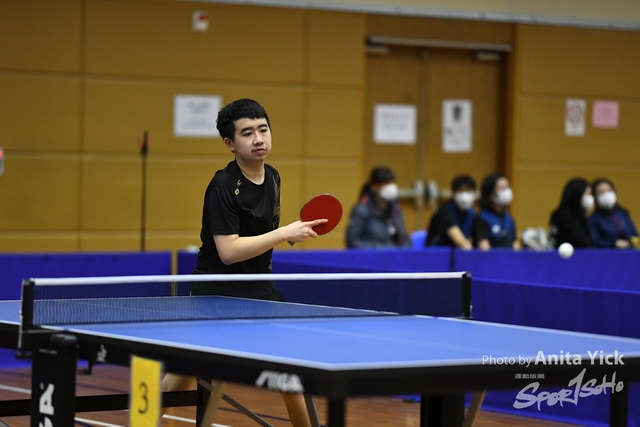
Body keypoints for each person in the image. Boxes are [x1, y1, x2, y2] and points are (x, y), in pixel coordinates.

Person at [162, 99, 323, 427]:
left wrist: (293, 233)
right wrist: (283, 233)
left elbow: (261, 233)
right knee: (181, 376)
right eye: (247, 133)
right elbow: (229, 251)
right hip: (215, 292)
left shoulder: (273, 177)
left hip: (258, 288)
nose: (259, 139)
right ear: (230, 144)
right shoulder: (222, 186)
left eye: (263, 129)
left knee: (289, 375)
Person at [345, 166, 411, 248]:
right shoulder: (361, 210)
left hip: (394, 255)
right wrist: (384, 250)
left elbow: (404, 238)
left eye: (391, 183)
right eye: (385, 183)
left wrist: (403, 251)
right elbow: (352, 242)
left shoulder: (395, 208)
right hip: (372, 255)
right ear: (374, 186)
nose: (390, 187)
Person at [425, 175, 476, 249]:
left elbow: (470, 240)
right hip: (437, 253)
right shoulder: (444, 211)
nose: (464, 195)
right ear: (453, 192)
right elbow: (462, 244)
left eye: (468, 190)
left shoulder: (471, 212)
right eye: (460, 190)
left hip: (458, 254)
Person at [472, 173, 520, 250]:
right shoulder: (482, 217)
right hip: (491, 257)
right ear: (491, 193)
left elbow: (515, 243)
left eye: (508, 187)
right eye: (502, 188)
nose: (507, 191)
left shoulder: (509, 217)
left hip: (509, 256)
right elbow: (483, 246)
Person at [588, 178, 638, 249]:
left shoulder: (623, 214)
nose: (607, 195)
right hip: (608, 253)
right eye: (601, 192)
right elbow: (594, 242)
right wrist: (613, 243)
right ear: (595, 197)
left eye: (609, 191)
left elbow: (634, 235)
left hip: (630, 252)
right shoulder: (593, 219)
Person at [549, 178, 594, 249]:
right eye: (587, 194)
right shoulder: (564, 216)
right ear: (577, 194)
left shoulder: (581, 216)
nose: (590, 198)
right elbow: (583, 243)